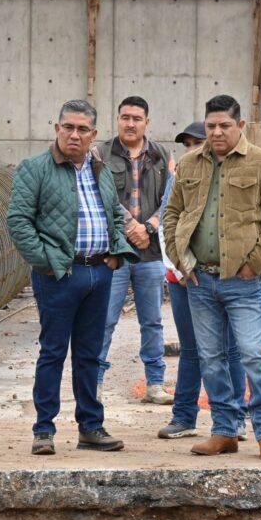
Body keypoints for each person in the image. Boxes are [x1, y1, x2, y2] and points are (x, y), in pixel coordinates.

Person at [6, 99, 139, 456]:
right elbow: (18, 221)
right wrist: (46, 263)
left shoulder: (101, 170)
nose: (74, 135)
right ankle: (44, 430)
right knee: (52, 352)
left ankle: (91, 428)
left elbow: (114, 214)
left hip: (100, 273)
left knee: (90, 355)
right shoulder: (35, 169)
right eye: (68, 127)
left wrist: (115, 254)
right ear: (56, 129)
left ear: (93, 134)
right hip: (59, 276)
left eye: (83, 129)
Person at [163, 94, 261, 461]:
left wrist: (253, 264)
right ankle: (223, 430)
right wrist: (181, 261)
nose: (217, 132)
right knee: (211, 358)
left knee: (252, 354)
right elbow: (173, 214)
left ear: (241, 126)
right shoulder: (189, 164)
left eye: (225, 126)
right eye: (211, 126)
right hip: (200, 280)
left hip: (242, 281)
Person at [156, 121, 248, 440]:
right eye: (188, 144)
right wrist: (181, 268)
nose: (192, 149)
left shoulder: (232, 177)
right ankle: (184, 416)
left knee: (229, 349)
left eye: (198, 143)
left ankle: (234, 419)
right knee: (193, 350)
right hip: (185, 278)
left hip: (224, 276)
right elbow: (167, 224)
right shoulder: (179, 177)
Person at [98, 96, 174, 405]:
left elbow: (172, 198)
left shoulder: (162, 155)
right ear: (117, 119)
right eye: (125, 117)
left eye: (137, 118)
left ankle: (155, 384)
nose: (131, 123)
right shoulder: (100, 153)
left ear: (147, 122)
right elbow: (99, 194)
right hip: (114, 252)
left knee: (153, 321)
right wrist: (131, 224)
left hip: (150, 253)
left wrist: (151, 227)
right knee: (104, 320)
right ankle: (95, 382)